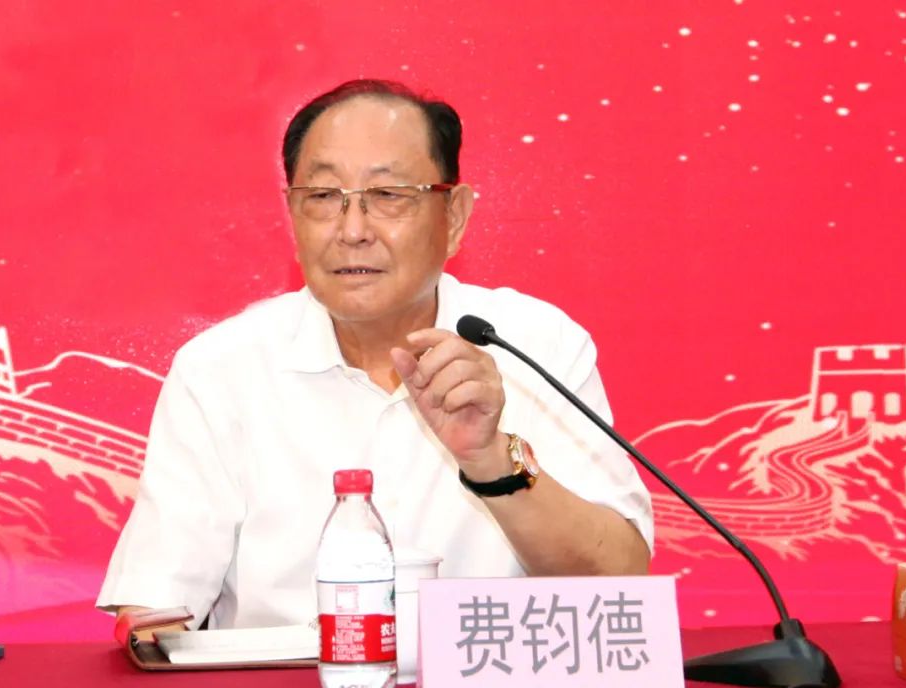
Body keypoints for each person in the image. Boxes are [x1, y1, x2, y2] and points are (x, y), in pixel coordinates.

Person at [98, 79, 653, 630]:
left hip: (485, 681)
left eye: (388, 196)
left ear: (454, 216)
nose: (353, 230)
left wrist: (492, 462)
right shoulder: (220, 369)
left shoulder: (536, 345)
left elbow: (619, 580)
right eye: (322, 197)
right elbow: (154, 611)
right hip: (284, 684)